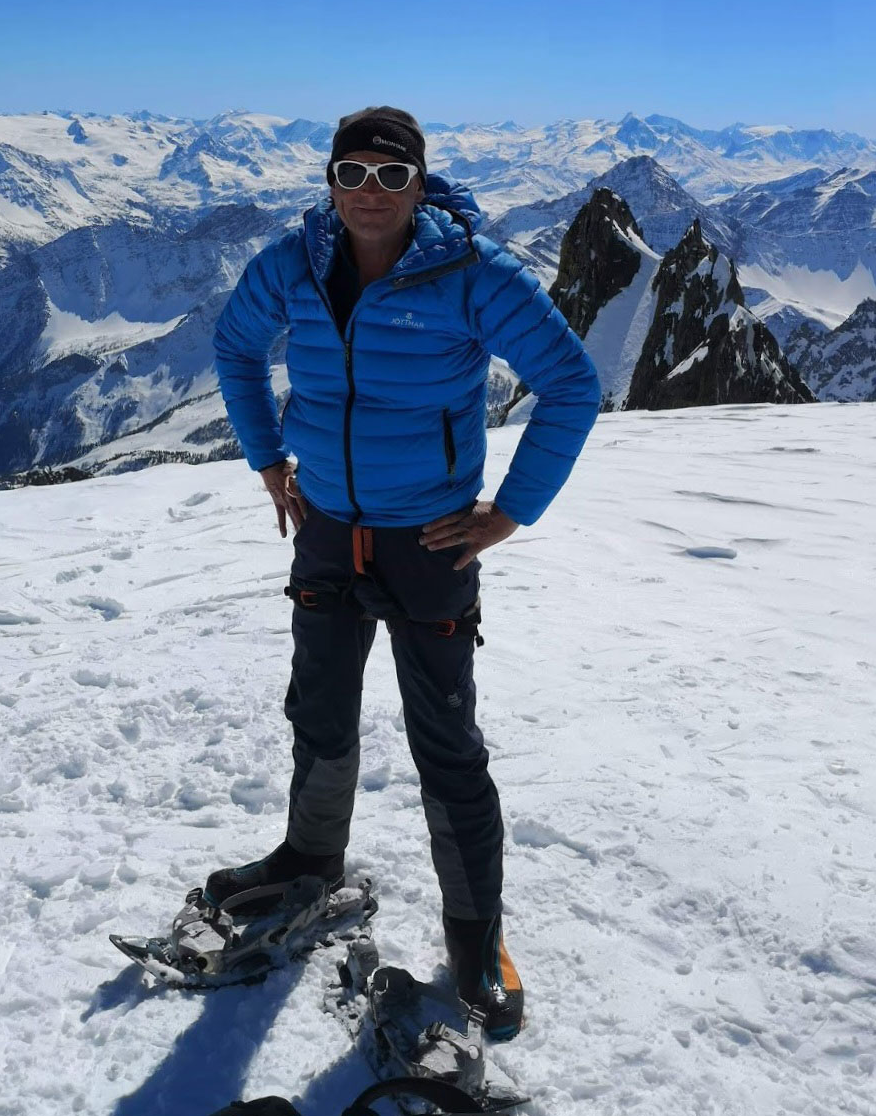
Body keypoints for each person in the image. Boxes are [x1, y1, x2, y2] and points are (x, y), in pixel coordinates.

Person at [210, 106, 601, 1039]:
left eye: (392, 176)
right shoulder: (294, 263)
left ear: (419, 185)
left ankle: (473, 937)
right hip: (326, 527)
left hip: (430, 544)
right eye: (353, 173)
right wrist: (267, 458)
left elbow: (572, 380)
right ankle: (310, 860)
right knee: (320, 709)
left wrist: (509, 513)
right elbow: (234, 346)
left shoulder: (471, 271)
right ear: (330, 182)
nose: (371, 193)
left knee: (445, 743)